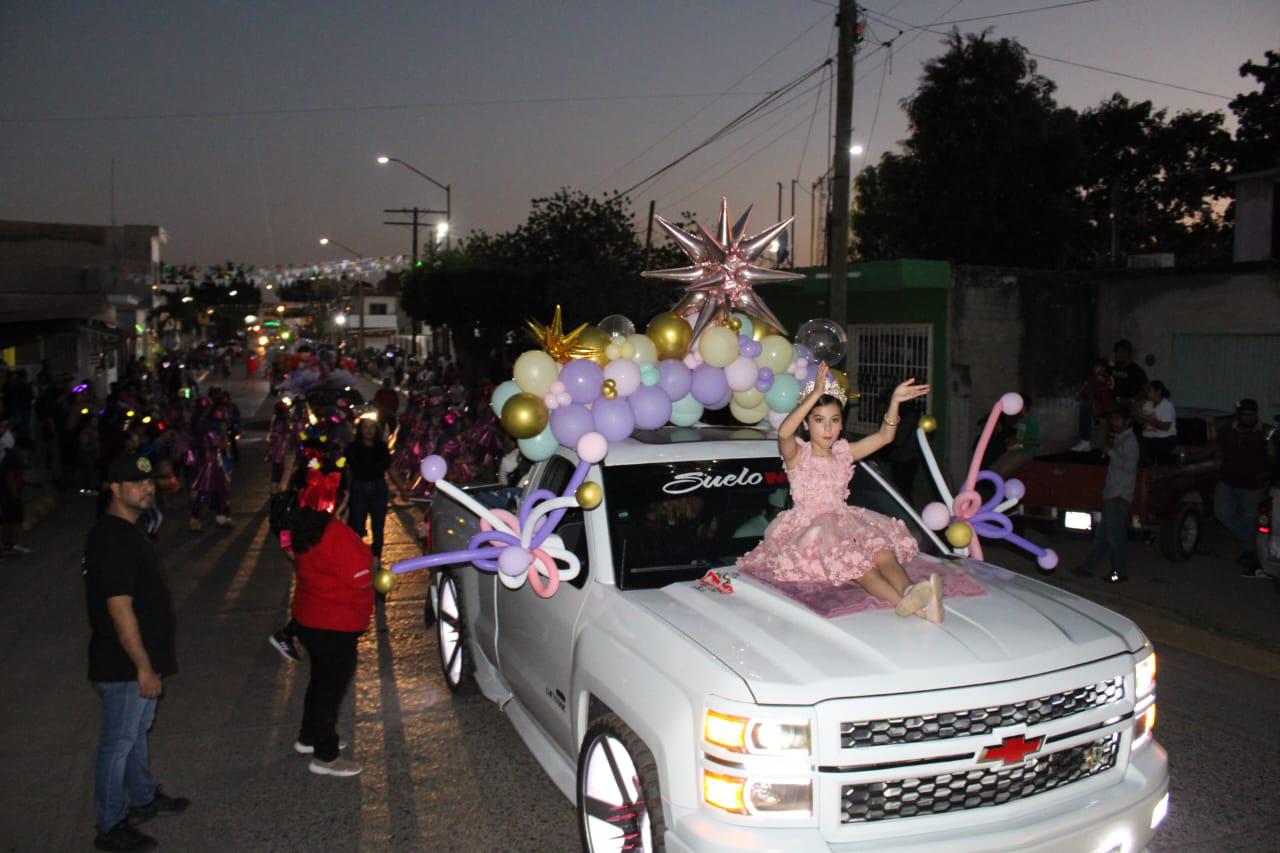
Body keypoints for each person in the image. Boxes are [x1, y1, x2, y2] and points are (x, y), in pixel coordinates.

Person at [737, 363, 942, 621]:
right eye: (819, 420)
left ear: (841, 423)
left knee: (884, 553)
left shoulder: (844, 453)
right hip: (814, 531)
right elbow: (784, 432)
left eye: (834, 420)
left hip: (847, 521)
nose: (827, 429)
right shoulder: (798, 455)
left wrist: (895, 402)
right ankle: (912, 607)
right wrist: (814, 394)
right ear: (806, 424)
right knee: (859, 567)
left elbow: (885, 437)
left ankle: (911, 592)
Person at [82, 454, 189, 851]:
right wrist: (143, 666)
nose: (147, 489)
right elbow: (119, 607)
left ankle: (143, 798)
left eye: (149, 482)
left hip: (139, 661)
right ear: (115, 488)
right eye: (137, 483)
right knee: (119, 743)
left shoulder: (128, 531)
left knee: (136, 733)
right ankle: (110, 826)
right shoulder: (111, 539)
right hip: (123, 663)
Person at [287, 471, 374, 777]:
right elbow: (360, 577)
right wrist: (373, 568)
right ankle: (326, 755)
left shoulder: (305, 528)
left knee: (319, 681)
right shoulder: (335, 534)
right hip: (335, 624)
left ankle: (308, 736)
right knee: (330, 690)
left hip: (311, 618)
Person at [1073, 409, 1139, 583]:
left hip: (1120, 494)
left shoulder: (1130, 441)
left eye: (1117, 419)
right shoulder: (1120, 438)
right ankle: (1088, 567)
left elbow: (1129, 467)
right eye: (1113, 419)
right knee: (1103, 535)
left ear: (1127, 421)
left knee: (1114, 536)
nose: (1114, 423)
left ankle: (1119, 572)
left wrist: (1111, 452)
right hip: (1113, 492)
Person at [1215, 398, 1277, 577]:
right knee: (1222, 513)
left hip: (1254, 485)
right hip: (1228, 481)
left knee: (1250, 519)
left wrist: (1269, 445)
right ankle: (1251, 545)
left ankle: (1250, 552)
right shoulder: (1228, 429)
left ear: (1257, 414)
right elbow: (1217, 446)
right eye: (1244, 414)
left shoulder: (1267, 432)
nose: (1248, 418)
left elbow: (1274, 458)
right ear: (1238, 415)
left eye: (1251, 414)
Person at [345, 415, 410, 569]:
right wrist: (347, 491)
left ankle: (376, 558)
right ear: (360, 430)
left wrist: (401, 489)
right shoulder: (352, 448)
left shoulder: (381, 447)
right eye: (365, 427)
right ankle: (357, 559)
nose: (369, 431)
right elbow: (348, 471)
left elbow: (390, 469)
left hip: (378, 489)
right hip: (359, 488)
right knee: (357, 526)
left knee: (378, 526)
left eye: (372, 427)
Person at [991, 394, 1041, 479]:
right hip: (1017, 450)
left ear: (1023, 406)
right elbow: (1019, 439)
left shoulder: (1031, 421)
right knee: (993, 468)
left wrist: (1018, 442)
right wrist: (1011, 441)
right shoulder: (1022, 421)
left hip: (1025, 453)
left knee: (1002, 472)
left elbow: (1036, 442)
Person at [1073, 358, 1114, 452]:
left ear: (1104, 368)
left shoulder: (1108, 378)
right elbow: (1086, 388)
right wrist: (1079, 394)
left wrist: (1101, 383)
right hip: (1097, 405)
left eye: (1098, 366)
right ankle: (1085, 440)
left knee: (1087, 405)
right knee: (1085, 403)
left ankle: (1087, 440)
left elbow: (1107, 391)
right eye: (1095, 366)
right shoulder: (1093, 377)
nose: (1095, 368)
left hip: (1105, 405)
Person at [1136, 381, 1177, 466]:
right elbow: (1140, 422)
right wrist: (1138, 414)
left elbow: (1165, 427)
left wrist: (1147, 418)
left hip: (1163, 438)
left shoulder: (1167, 405)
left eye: (1149, 390)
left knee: (1144, 449)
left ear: (1158, 392)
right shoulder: (1148, 403)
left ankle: (1148, 468)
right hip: (1147, 436)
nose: (1147, 393)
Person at [1109, 339, 1148, 415]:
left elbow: (1145, 390)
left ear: (1129, 354)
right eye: (1117, 352)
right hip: (1113, 407)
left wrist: (1132, 400)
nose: (1119, 354)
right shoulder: (1111, 368)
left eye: (1122, 352)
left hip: (1130, 408)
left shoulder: (1137, 370)